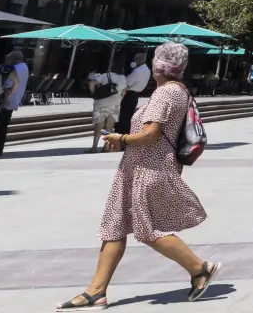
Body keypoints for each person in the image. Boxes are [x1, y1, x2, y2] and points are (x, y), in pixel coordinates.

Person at [62, 42, 218, 308]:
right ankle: (97, 290)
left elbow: (149, 135)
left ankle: (199, 268)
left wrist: (120, 137)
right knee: (114, 224)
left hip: (149, 167)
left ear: (159, 66)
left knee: (148, 230)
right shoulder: (179, 91)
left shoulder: (164, 94)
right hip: (136, 167)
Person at [0, 49, 30, 156]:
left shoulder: (16, 68)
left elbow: (9, 83)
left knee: (0, 125)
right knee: (3, 125)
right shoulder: (24, 67)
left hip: (8, 98)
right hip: (14, 98)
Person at [88, 67, 126, 153]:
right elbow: (124, 92)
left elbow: (91, 83)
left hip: (101, 104)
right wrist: (118, 100)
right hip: (115, 105)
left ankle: (94, 147)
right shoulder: (123, 78)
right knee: (110, 127)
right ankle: (107, 147)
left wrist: (94, 94)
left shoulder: (106, 75)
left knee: (99, 126)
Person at [117, 52, 152, 136]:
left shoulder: (137, 71)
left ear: (138, 60)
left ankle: (122, 134)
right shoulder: (146, 70)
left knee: (124, 116)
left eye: (135, 59)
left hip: (130, 94)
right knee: (129, 115)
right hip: (136, 95)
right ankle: (125, 133)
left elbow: (127, 82)